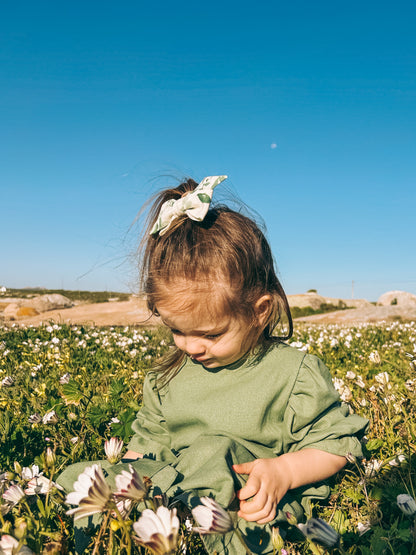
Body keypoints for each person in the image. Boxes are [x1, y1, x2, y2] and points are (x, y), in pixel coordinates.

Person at [59, 175, 368, 554]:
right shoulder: (166, 378)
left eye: (210, 334)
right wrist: (127, 482)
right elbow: (146, 445)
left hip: (244, 500)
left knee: (215, 461)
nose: (191, 346)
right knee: (83, 479)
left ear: (260, 312)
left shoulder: (292, 375)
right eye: (176, 330)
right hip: (170, 491)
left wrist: (285, 471)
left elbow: (337, 445)